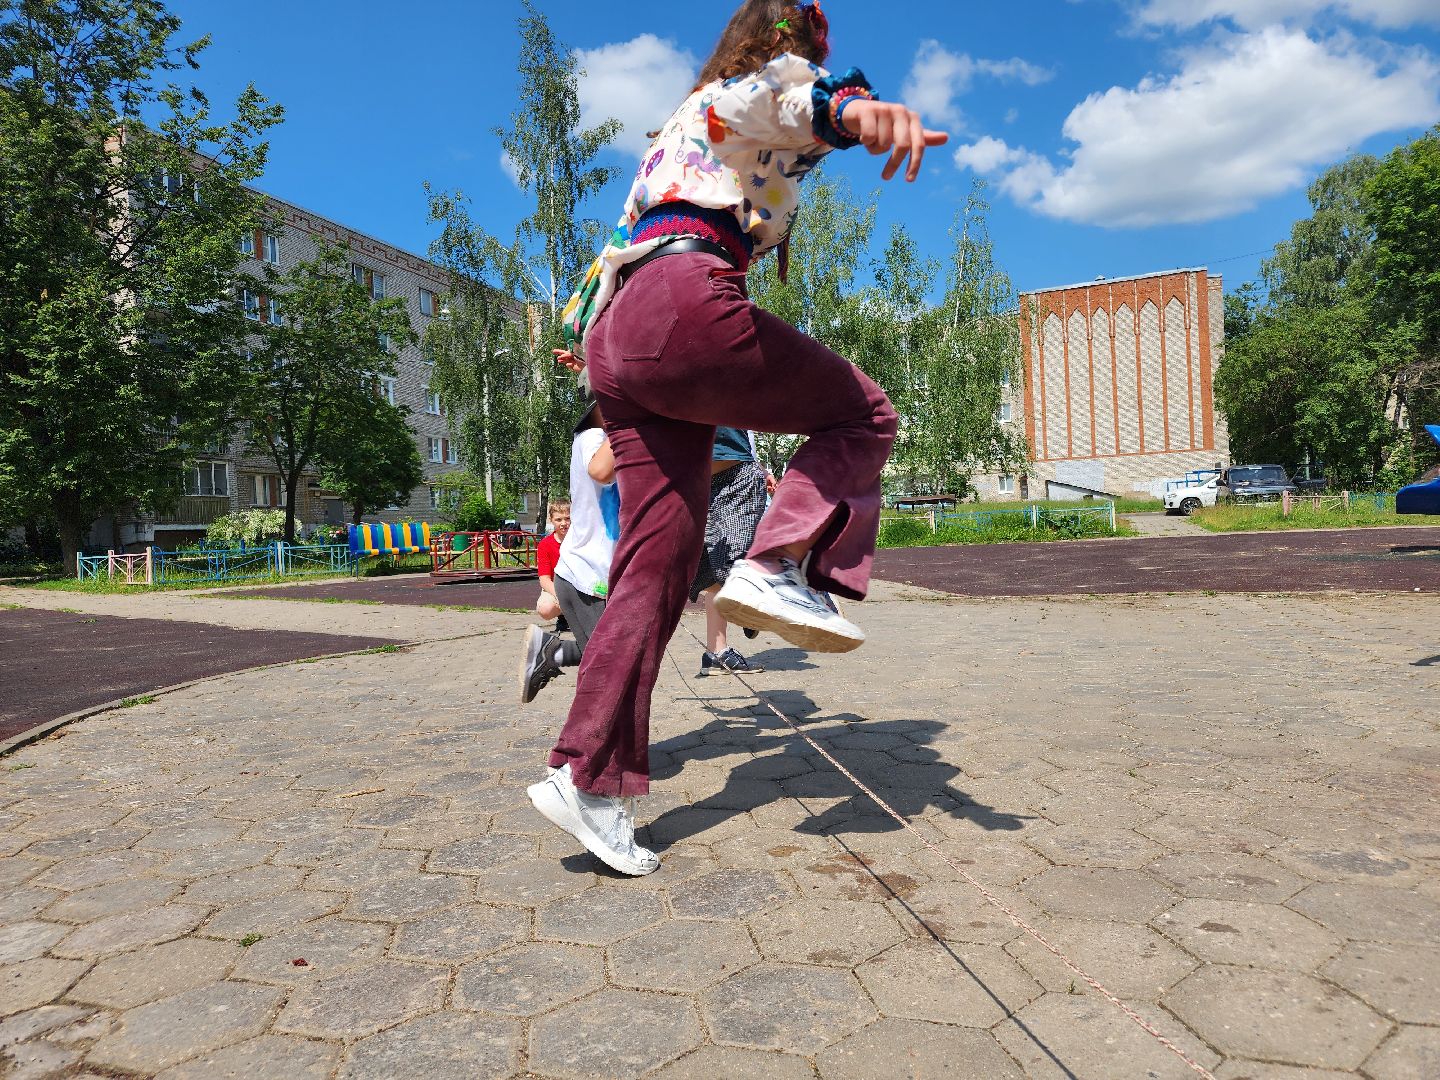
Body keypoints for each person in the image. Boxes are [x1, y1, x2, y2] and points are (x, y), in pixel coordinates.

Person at [527, 0, 945, 876]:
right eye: (813, 49)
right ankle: (776, 563)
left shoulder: (680, 129)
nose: (818, 62)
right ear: (785, 43)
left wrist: (585, 337)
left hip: (622, 340)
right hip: (683, 307)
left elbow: (620, 242)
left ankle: (586, 778)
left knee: (657, 566)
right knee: (864, 415)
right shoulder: (749, 90)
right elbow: (783, 98)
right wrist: (852, 110)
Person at [518, 398, 618, 704]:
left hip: (592, 575)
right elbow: (601, 471)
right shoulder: (592, 437)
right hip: (587, 576)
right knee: (612, 663)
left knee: (609, 656)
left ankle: (552, 652)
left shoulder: (603, 438)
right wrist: (631, 422)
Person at [694, 427, 769, 676]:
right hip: (695, 473)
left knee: (731, 561)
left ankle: (718, 650)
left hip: (732, 471)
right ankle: (718, 650)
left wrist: (757, 465)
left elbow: (742, 425)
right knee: (710, 569)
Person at [533, 499, 570, 625]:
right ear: (551, 520)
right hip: (556, 586)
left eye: (567, 518)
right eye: (558, 519)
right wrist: (559, 596)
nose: (564, 523)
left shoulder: (580, 540)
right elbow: (544, 580)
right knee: (545, 609)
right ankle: (564, 615)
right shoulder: (545, 544)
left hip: (578, 585)